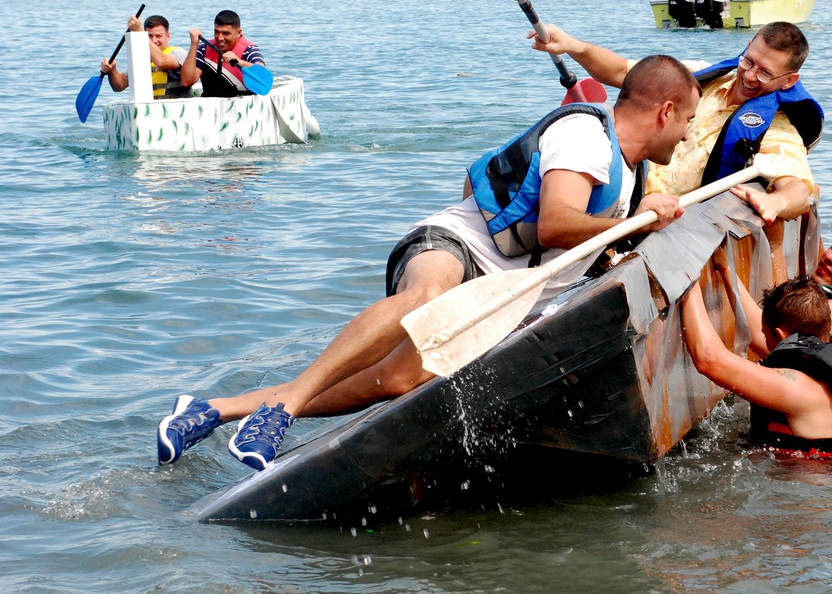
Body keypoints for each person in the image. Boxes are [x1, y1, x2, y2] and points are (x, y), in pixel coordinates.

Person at [156, 55, 701, 470]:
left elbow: (570, 242)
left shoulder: (632, 179)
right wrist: (641, 223)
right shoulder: (586, 136)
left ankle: (213, 408)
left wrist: (621, 243)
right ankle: (286, 407)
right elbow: (558, 222)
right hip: (452, 246)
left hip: (500, 294)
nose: (687, 137)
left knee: (393, 380)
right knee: (425, 300)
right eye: (689, 121)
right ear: (665, 110)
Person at [528, 22, 821, 231]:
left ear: (789, 81)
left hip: (665, 222)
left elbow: (798, 189)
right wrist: (572, 46)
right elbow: (622, 71)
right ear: (746, 47)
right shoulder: (700, 75)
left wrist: (776, 203)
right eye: (749, 61)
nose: (750, 76)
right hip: (621, 194)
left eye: (765, 73)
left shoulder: (777, 127)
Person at [681, 276, 832, 457]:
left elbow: (709, 360)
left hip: (807, 490)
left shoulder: (798, 389)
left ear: (781, 335)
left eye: (767, 336)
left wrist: (687, 279)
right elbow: (761, 339)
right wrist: (726, 271)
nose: (762, 341)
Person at [717, 227, 832, 370]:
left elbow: (766, 341)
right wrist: (775, 244)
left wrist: (726, 268)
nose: (830, 256)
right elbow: (786, 304)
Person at [101, 14, 192, 99]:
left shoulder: (179, 53)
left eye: (158, 36)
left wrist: (140, 32)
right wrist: (112, 69)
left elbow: (161, 62)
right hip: (150, 111)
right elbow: (119, 86)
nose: (154, 40)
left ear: (168, 36)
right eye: (149, 36)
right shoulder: (141, 58)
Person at [179, 10, 266, 97]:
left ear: (239, 33)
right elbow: (187, 82)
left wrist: (239, 62)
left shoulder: (250, 50)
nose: (220, 38)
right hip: (210, 105)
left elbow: (262, 75)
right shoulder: (203, 48)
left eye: (226, 33)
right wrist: (194, 45)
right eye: (216, 32)